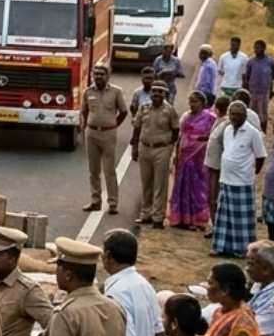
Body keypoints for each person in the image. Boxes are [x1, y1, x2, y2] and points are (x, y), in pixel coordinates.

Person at [205, 100, 267, 258]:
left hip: (242, 182)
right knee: (223, 216)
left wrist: (252, 173)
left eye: (239, 115)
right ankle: (221, 247)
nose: (235, 118)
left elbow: (260, 157)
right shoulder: (227, 130)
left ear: (245, 116)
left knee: (241, 219)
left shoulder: (253, 133)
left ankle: (241, 250)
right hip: (226, 179)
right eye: (232, 114)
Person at [131, 81, 180, 228]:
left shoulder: (170, 110)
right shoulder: (144, 107)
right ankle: (145, 214)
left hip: (162, 150)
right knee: (146, 182)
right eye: (154, 91)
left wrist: (169, 147)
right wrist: (134, 147)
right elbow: (137, 127)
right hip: (144, 148)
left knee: (160, 184)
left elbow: (176, 130)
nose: (157, 94)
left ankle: (158, 217)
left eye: (160, 91)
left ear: (165, 94)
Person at [168, 92, 217, 231]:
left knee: (198, 188)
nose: (192, 105)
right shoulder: (186, 116)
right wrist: (176, 154)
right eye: (190, 102)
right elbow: (180, 136)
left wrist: (202, 140)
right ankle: (181, 218)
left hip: (199, 159)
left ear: (202, 103)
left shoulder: (210, 118)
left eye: (195, 102)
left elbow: (213, 138)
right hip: (184, 157)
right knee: (182, 186)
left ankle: (197, 220)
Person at [81, 64, 127, 214]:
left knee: (109, 171)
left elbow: (124, 111)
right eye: (96, 74)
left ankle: (113, 203)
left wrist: (113, 125)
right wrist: (87, 127)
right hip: (92, 134)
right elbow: (84, 111)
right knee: (93, 171)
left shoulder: (116, 92)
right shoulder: (88, 92)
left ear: (108, 76)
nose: (99, 76)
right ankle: (95, 201)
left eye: (102, 74)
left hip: (108, 135)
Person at [245, 40, 274, 122]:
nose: (256, 50)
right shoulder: (251, 62)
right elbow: (247, 77)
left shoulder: (270, 61)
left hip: (264, 93)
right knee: (252, 114)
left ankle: (263, 132)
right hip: (253, 92)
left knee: (263, 115)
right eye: (255, 48)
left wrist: (271, 88)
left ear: (264, 48)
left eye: (258, 48)